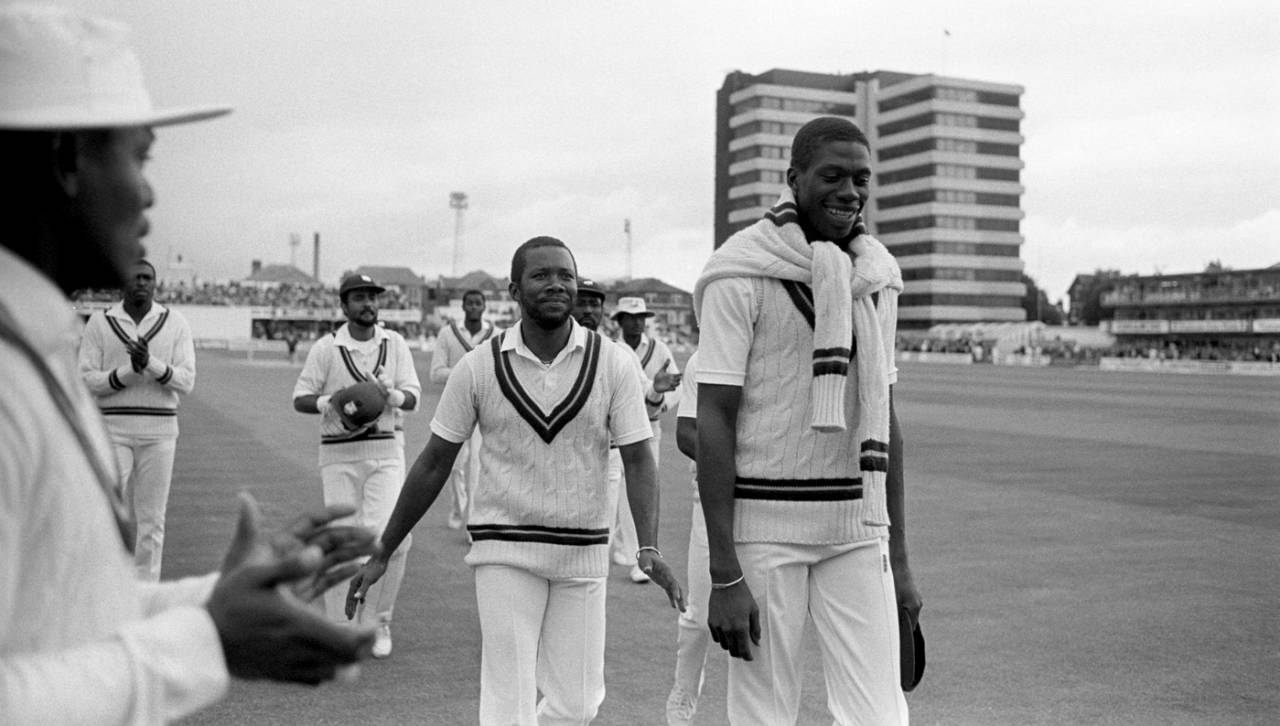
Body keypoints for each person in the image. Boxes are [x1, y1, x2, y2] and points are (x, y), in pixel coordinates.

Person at [0, 5, 377, 723]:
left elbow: (60, 611)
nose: (148, 195)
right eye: (137, 156)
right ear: (65, 161)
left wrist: (216, 598)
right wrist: (209, 640)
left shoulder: (30, 343)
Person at [349, 237, 686, 725]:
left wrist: (648, 545)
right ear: (514, 289)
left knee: (579, 704)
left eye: (565, 276)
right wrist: (384, 548)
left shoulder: (612, 362)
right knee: (507, 702)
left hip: (583, 552)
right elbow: (434, 460)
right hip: (503, 551)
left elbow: (638, 457)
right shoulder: (479, 366)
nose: (556, 285)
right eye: (541, 275)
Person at [693, 116, 921, 725]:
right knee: (763, 715)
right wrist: (724, 573)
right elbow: (713, 418)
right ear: (794, 179)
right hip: (764, 530)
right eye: (833, 176)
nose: (851, 191)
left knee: (881, 715)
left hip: (856, 524)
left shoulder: (876, 278)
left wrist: (899, 561)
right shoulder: (739, 270)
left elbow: (886, 418)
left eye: (862, 179)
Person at [292, 273, 423, 658]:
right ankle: (340, 625)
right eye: (360, 298)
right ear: (344, 305)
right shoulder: (327, 348)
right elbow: (300, 398)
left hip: (386, 452)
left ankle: (379, 620)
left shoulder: (394, 344)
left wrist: (390, 395)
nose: (368, 304)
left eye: (372, 297)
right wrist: (333, 401)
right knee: (343, 541)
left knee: (391, 540)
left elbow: (414, 397)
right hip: (337, 454)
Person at [79, 257, 196, 581]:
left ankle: (144, 591)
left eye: (147, 277)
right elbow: (86, 379)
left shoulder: (175, 323)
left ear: (155, 284)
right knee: (107, 515)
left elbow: (186, 381)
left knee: (152, 520)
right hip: (112, 430)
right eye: (135, 277)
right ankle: (104, 585)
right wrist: (131, 371)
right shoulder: (100, 322)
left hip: (160, 434)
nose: (141, 282)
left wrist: (151, 365)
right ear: (123, 283)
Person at [572, 278, 673, 584]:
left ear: (603, 311)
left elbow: (650, 403)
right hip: (561, 456)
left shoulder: (618, 353)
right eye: (583, 302)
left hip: (611, 454)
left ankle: (626, 559)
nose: (589, 310)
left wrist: (657, 391)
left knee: (597, 542)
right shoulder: (546, 350)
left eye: (595, 303)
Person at [609, 296, 681, 578]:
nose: (637, 322)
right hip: (615, 432)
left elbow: (676, 384)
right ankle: (620, 547)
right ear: (620, 321)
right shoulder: (613, 348)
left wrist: (659, 401)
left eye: (641, 317)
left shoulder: (658, 349)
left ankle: (636, 556)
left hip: (649, 428)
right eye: (630, 317)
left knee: (642, 490)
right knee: (613, 492)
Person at [663, 349, 714, 725]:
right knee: (699, 617)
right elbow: (685, 433)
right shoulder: (703, 360)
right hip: (712, 497)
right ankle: (684, 693)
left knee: (771, 623)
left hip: (770, 505)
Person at [429, 288, 498, 530]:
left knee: (478, 467)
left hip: (486, 410)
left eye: (478, 303)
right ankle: (459, 507)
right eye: (469, 303)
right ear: (463, 306)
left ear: (484, 306)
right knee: (455, 466)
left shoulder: (496, 334)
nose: (473, 307)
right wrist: (466, 373)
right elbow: (436, 373)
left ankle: (473, 521)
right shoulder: (448, 334)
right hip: (455, 407)